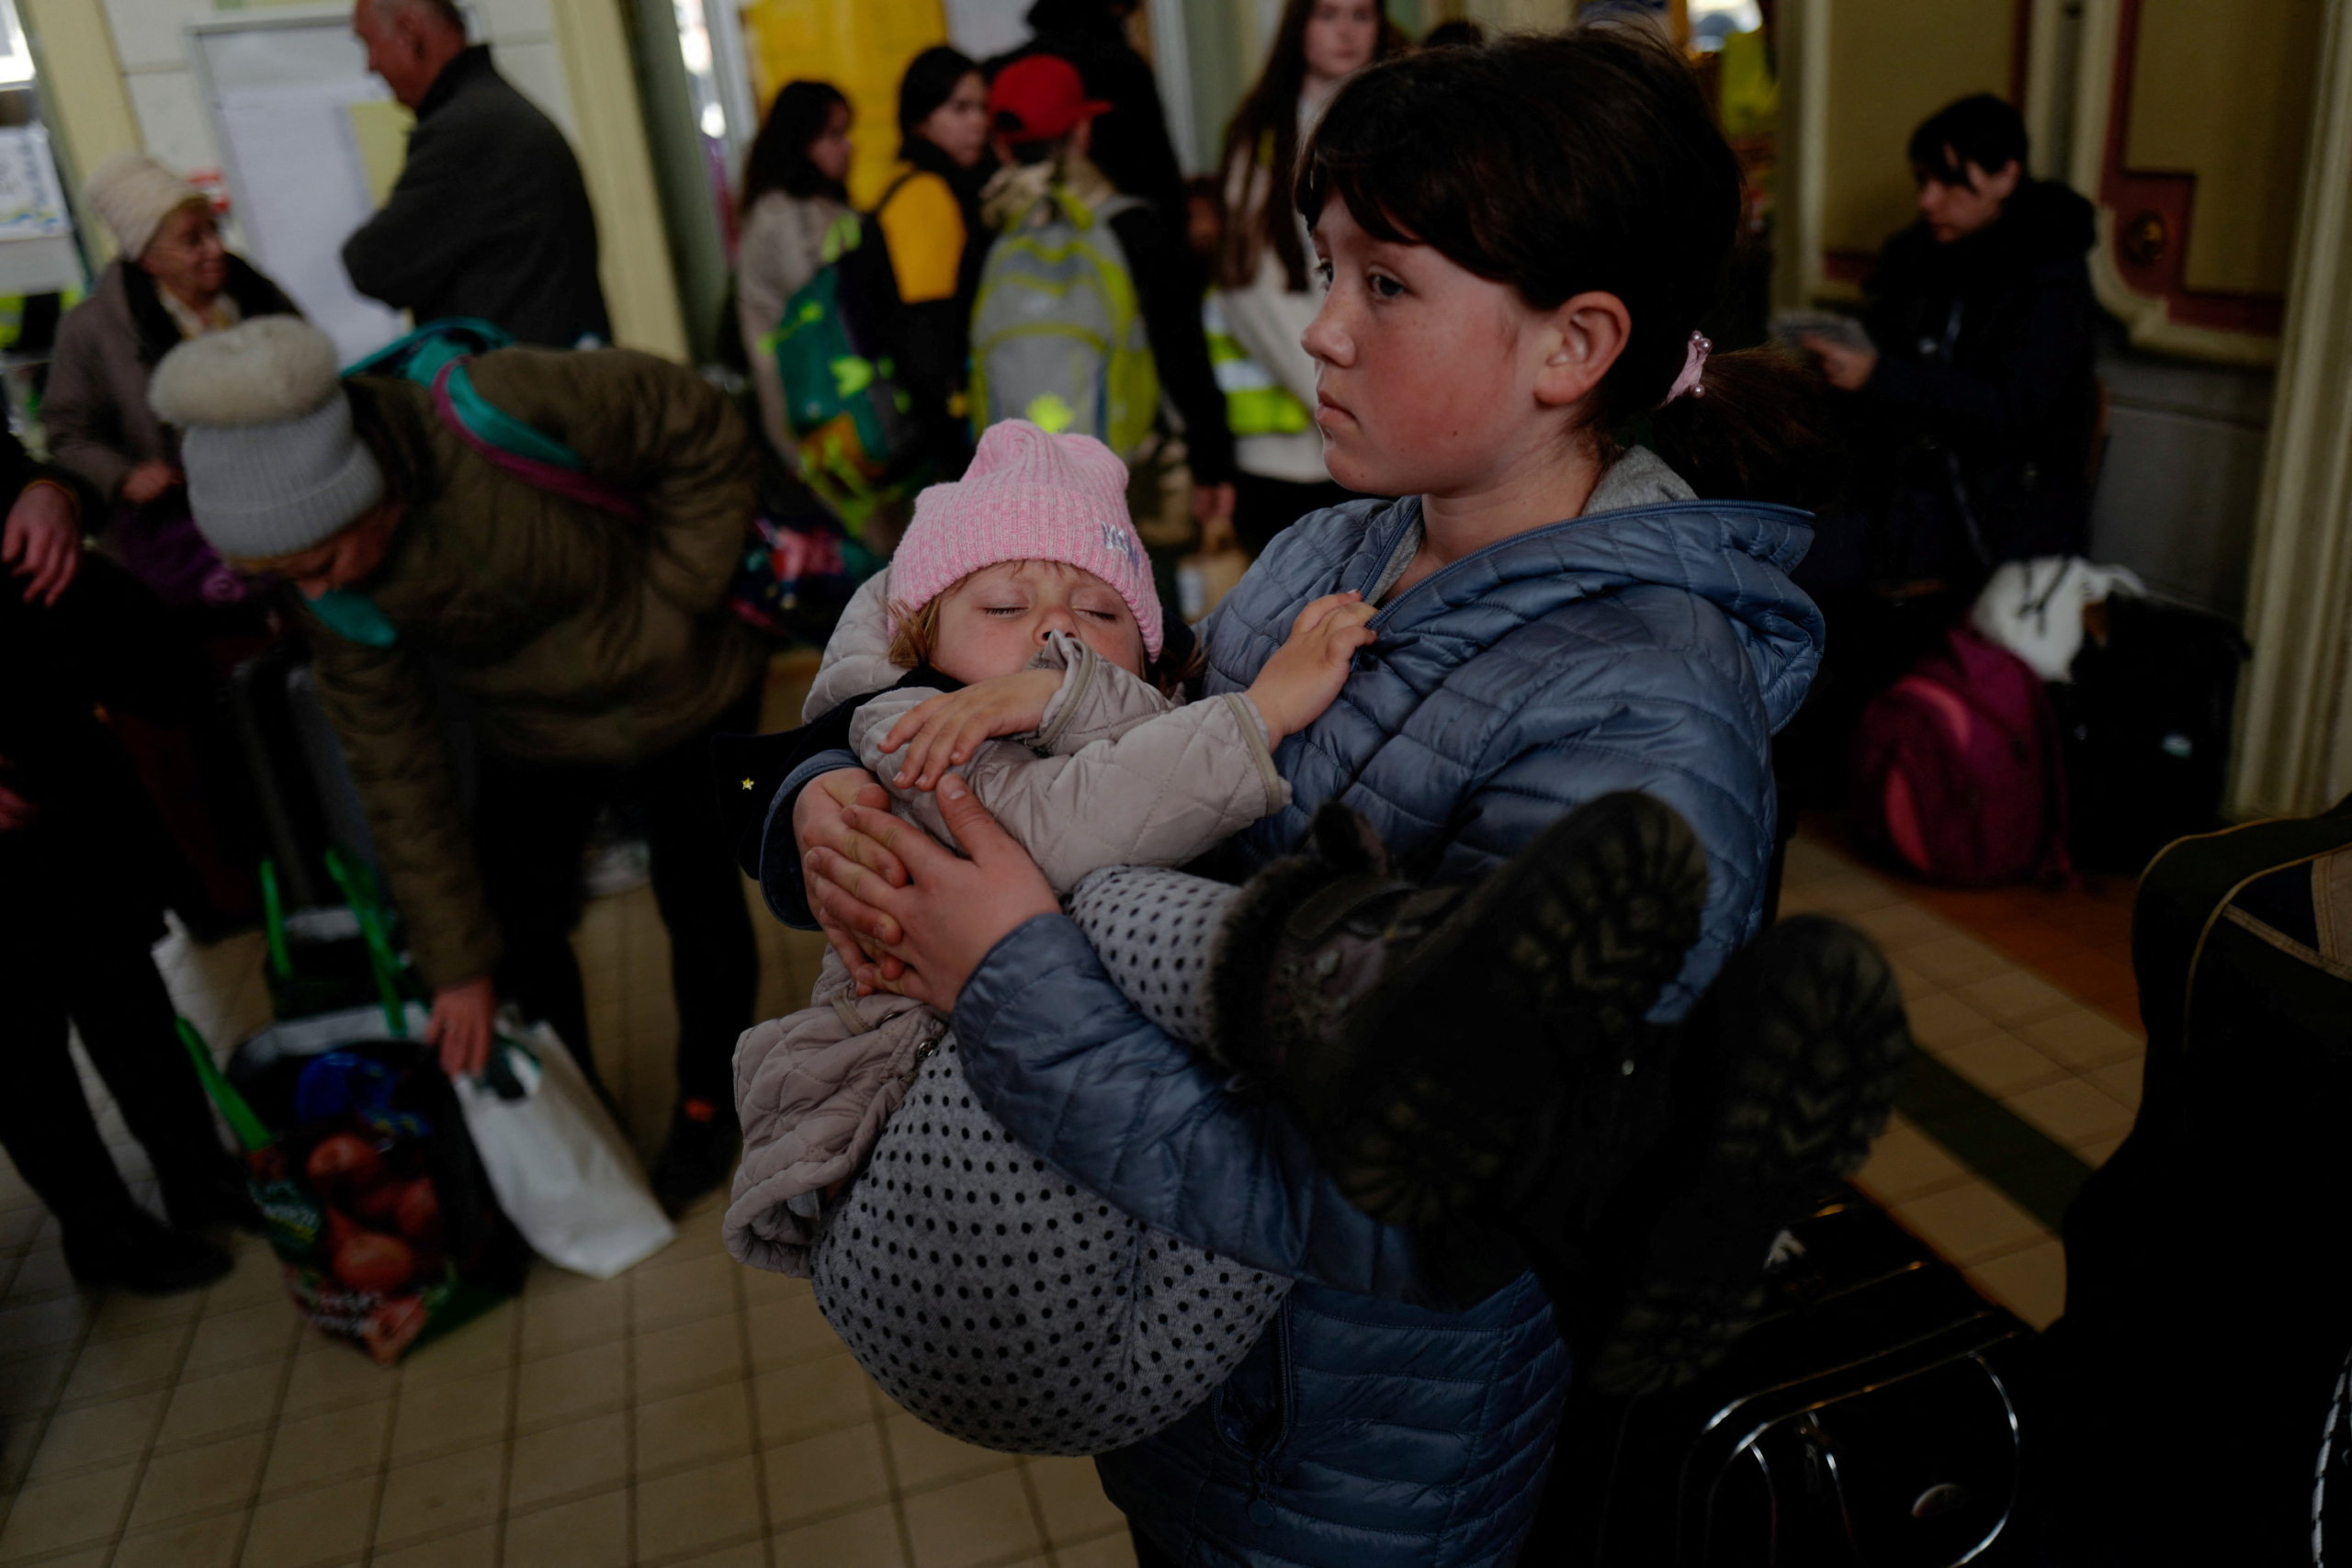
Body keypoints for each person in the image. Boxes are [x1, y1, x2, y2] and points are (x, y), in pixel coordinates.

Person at [785, 29, 1886, 1567]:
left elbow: (1414, 1221)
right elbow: (1109, 761)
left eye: (1384, 284)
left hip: (1353, 1459)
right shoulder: (1334, 555)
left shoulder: (1643, 715)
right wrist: (830, 795)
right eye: (1326, 270)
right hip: (1198, 1380)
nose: (1318, 331)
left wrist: (1011, 970)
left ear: (1570, 346)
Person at [725, 420, 1372, 1452]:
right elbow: (1069, 826)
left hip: (1111, 1321)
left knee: (1269, 1110)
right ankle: (1376, 983)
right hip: (928, 1218)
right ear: (919, 637)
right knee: (1115, 915)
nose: (1052, 634)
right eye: (1004, 605)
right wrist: (1258, 714)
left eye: (1100, 610)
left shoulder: (1037, 707)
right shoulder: (917, 730)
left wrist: (1071, 697)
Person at [148, 316, 763, 1210]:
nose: (316, 594)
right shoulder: (333, 595)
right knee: (519, 929)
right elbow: (396, 772)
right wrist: (456, 966)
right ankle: (576, 1107)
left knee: (700, 900)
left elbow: (702, 425)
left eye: (319, 561)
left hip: (688, 682)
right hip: (534, 728)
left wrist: (674, 598)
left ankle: (710, 1106)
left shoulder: (499, 404)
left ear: (361, 492)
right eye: (285, 578)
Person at [1, 433, 251, 1293]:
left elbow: (37, 472)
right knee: (20, 1044)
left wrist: (47, 493)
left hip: (52, 742)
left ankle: (199, 1175)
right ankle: (103, 1233)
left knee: (123, 985)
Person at [1800, 92, 2098, 596]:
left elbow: (2015, 409)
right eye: (1923, 182)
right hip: (1902, 483)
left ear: (2005, 176)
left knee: (1784, 564)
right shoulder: (1923, 257)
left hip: (1987, 508)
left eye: (1949, 182)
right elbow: (1897, 345)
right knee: (1759, 522)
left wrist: (1879, 375)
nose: (1927, 201)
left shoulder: (2050, 274)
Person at [975, 53, 1236, 520]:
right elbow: (1181, 352)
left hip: (1015, 496)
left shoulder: (987, 236)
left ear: (1001, 146)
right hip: (1132, 485)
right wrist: (1212, 462)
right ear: (1082, 133)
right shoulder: (1131, 226)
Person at [46, 153, 298, 609]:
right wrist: (124, 475)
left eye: (214, 231)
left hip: (286, 508)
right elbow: (67, 435)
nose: (215, 249)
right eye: (191, 240)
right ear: (147, 258)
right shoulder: (93, 330)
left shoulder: (255, 293)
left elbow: (308, 367)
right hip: (181, 543)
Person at [1209, 0, 1398, 557]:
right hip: (1287, 453)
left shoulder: (1405, 127)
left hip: (1388, 431)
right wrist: (1346, 390)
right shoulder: (1265, 138)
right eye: (1328, 15)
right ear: (1298, 29)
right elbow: (1249, 290)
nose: (1346, 31)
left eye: (1362, 16)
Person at [343, 0, 609, 347]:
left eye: (370, 44)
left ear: (409, 31)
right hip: (553, 374)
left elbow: (375, 266)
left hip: (520, 387)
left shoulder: (469, 132)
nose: (371, 66)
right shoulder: (495, 111)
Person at [876, 46, 995, 482]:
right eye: (960, 108)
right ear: (920, 117)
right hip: (940, 436)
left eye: (983, 108)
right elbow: (927, 338)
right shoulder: (926, 195)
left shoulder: (923, 183)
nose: (978, 122)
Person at [736, 80, 855, 459]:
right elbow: (824, 301)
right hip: (812, 401)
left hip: (823, 397)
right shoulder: (786, 218)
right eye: (834, 135)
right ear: (800, 142)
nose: (848, 147)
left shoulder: (809, 207)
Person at [986, 0, 1187, 224]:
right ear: (1082, 131)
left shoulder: (1002, 74)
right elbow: (1161, 181)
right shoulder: (1122, 69)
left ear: (1001, 147)